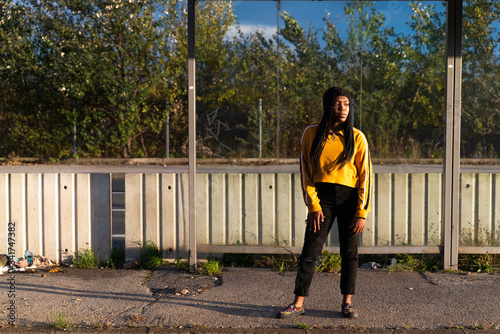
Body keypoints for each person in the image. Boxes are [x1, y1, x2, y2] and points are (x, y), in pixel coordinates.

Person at [277, 86, 372, 320]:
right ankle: (298, 303)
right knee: (311, 249)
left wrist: (361, 212)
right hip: (322, 200)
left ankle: (347, 303)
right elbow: (306, 173)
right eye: (337, 104)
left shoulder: (357, 137)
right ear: (327, 106)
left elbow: (365, 177)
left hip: (350, 200)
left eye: (347, 104)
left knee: (349, 252)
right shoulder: (311, 134)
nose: (342, 109)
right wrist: (314, 206)